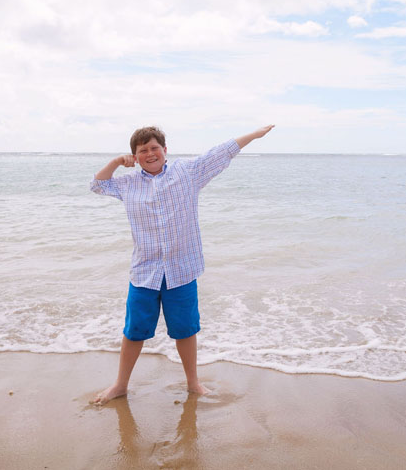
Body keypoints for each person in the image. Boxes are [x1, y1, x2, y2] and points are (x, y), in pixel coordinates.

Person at [89, 124, 275, 405]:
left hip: (182, 270)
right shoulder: (127, 184)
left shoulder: (187, 173)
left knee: (186, 330)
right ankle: (120, 385)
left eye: (154, 148)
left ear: (165, 150)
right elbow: (98, 185)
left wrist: (254, 134)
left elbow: (221, 153)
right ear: (135, 157)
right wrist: (116, 162)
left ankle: (193, 383)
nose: (150, 154)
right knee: (134, 331)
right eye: (143, 151)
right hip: (144, 272)